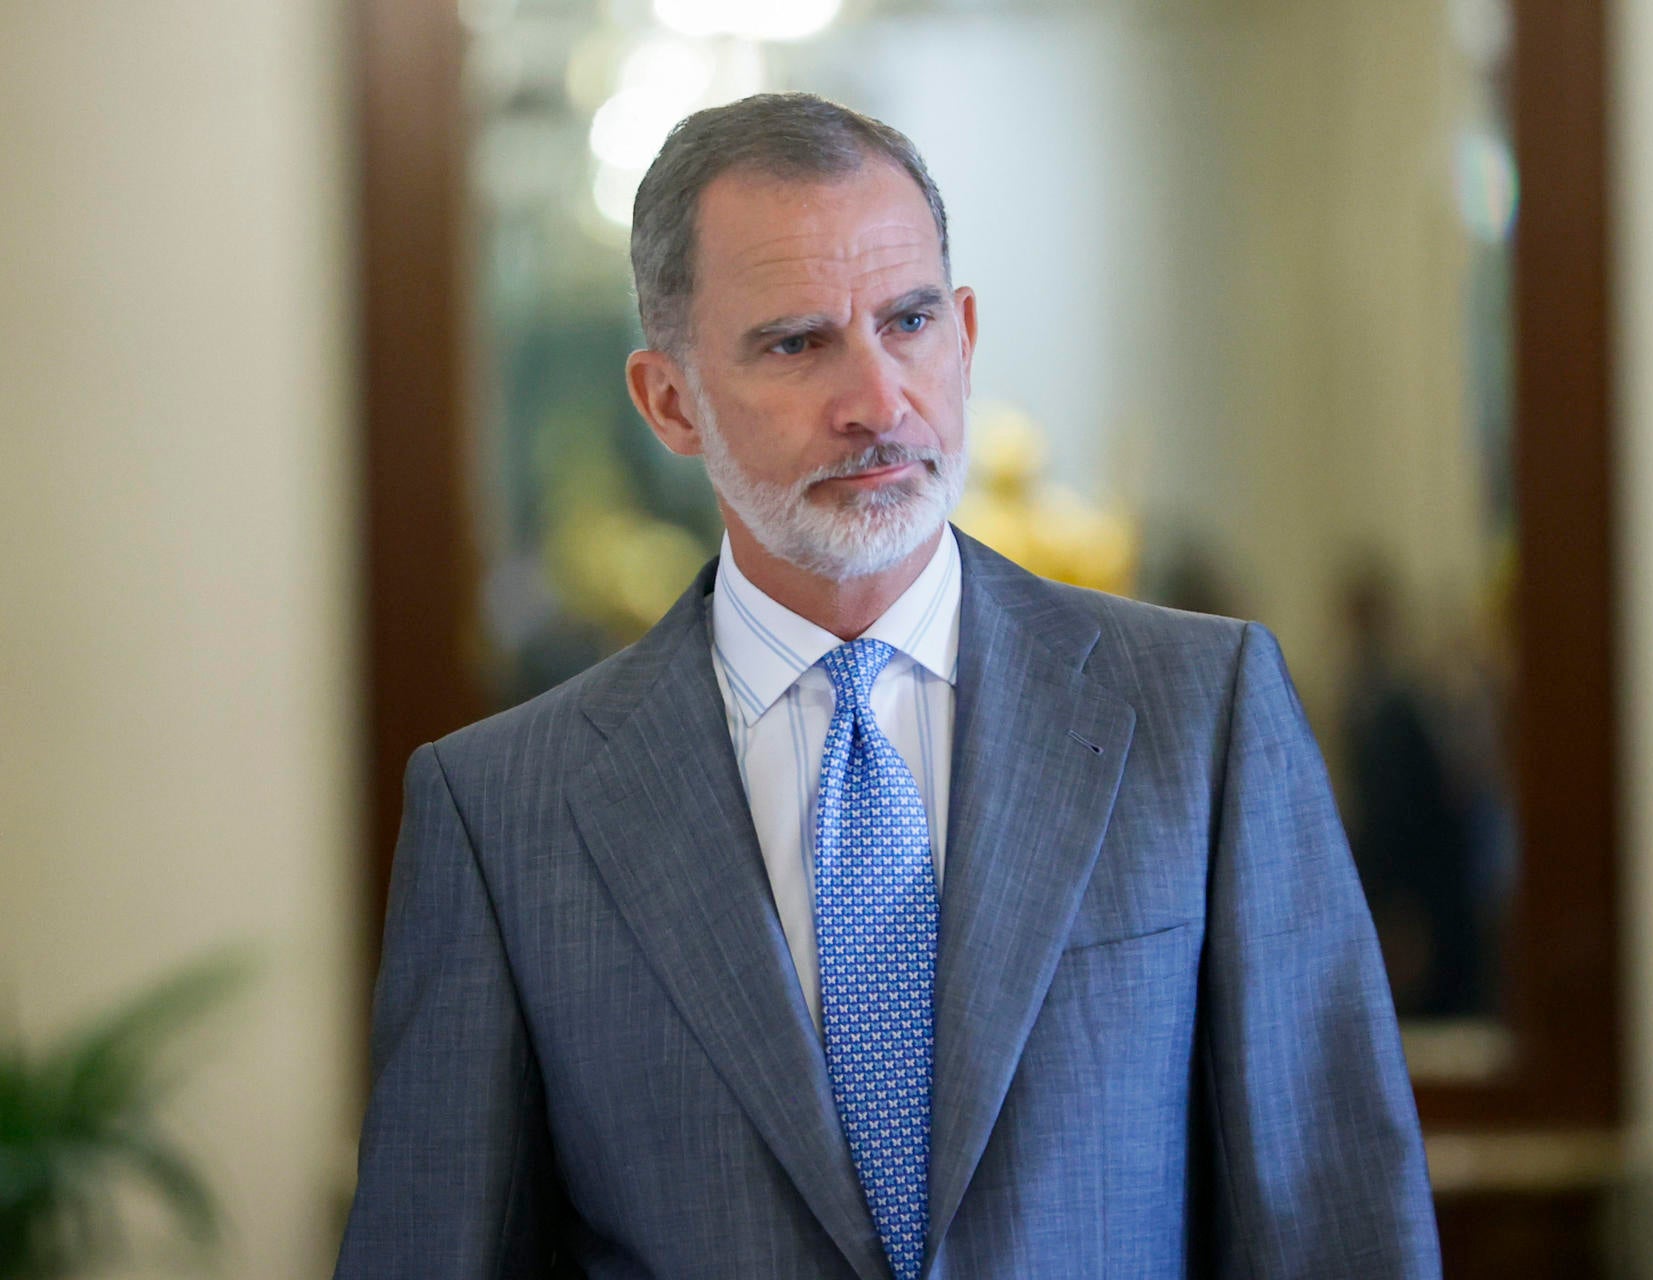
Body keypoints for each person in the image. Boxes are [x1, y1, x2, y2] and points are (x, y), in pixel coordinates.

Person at [334, 92, 1440, 1279]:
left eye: (908, 321)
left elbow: (1339, 1231)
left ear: (962, 333)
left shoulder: (1200, 715)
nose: (877, 402)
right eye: (797, 343)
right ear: (669, 401)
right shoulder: (503, 812)